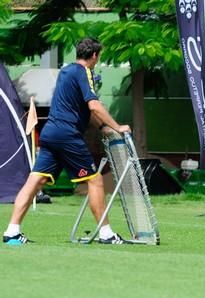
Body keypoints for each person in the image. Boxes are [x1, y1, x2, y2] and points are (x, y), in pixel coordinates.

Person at [2, 38, 131, 245]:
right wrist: (117, 126)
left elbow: (82, 108)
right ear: (95, 56)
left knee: (35, 181)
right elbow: (94, 106)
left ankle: (12, 232)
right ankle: (106, 234)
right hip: (67, 135)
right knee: (95, 180)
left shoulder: (66, 71)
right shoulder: (84, 72)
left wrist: (101, 127)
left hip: (50, 134)